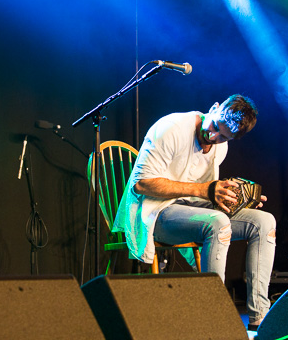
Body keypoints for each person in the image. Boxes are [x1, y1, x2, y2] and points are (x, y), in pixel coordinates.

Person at [113, 94, 276, 330]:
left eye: (224, 137)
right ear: (214, 108)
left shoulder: (221, 147)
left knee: (264, 221)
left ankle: (260, 318)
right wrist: (205, 190)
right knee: (217, 222)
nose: (214, 137)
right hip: (153, 212)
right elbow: (141, 184)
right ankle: (213, 318)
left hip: (190, 210)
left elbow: (206, 198)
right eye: (215, 127)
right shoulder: (172, 128)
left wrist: (241, 200)